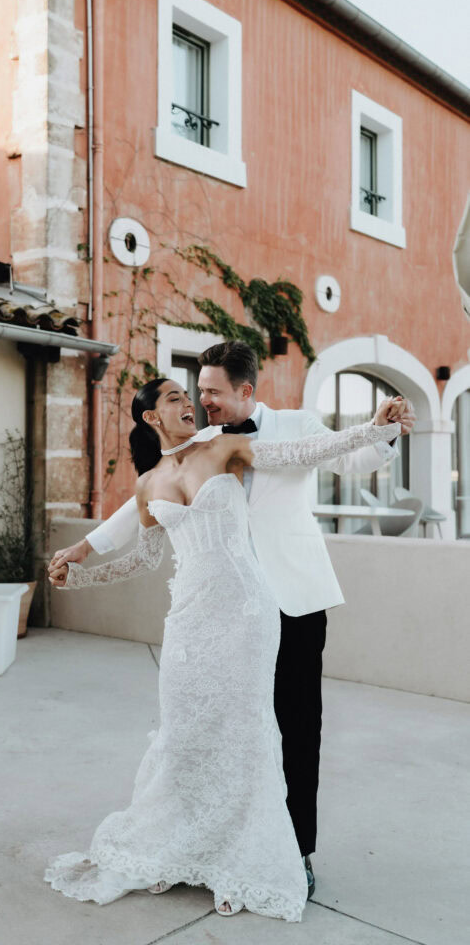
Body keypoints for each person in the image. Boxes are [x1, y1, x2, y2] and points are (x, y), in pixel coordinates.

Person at [49, 342, 416, 898]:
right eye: (194, 392)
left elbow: (341, 456)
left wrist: (379, 430)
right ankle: (212, 842)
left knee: (295, 727)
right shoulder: (201, 441)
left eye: (211, 392)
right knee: (215, 729)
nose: (202, 401)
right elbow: (146, 504)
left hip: (291, 597)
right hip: (213, 606)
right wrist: (86, 548)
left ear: (245, 390)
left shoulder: (290, 425)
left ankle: (295, 850)